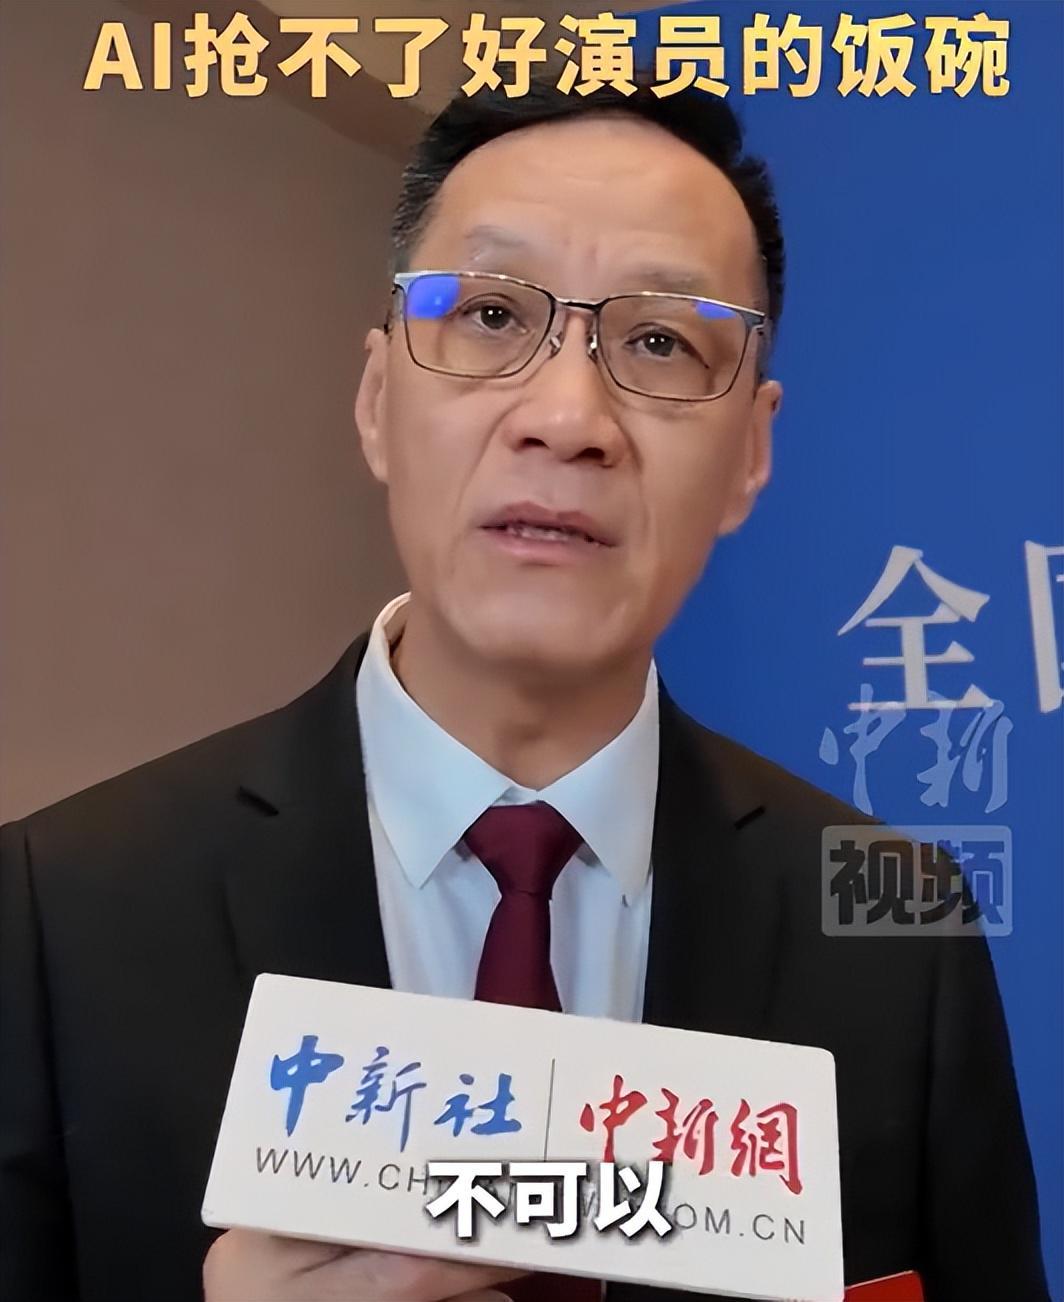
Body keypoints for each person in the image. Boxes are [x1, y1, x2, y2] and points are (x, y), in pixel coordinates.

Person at [0, 73, 1049, 1302]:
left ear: (749, 454)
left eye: (659, 341)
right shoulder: (58, 908)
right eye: (491, 314)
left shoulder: (895, 923)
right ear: (377, 401)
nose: (567, 417)